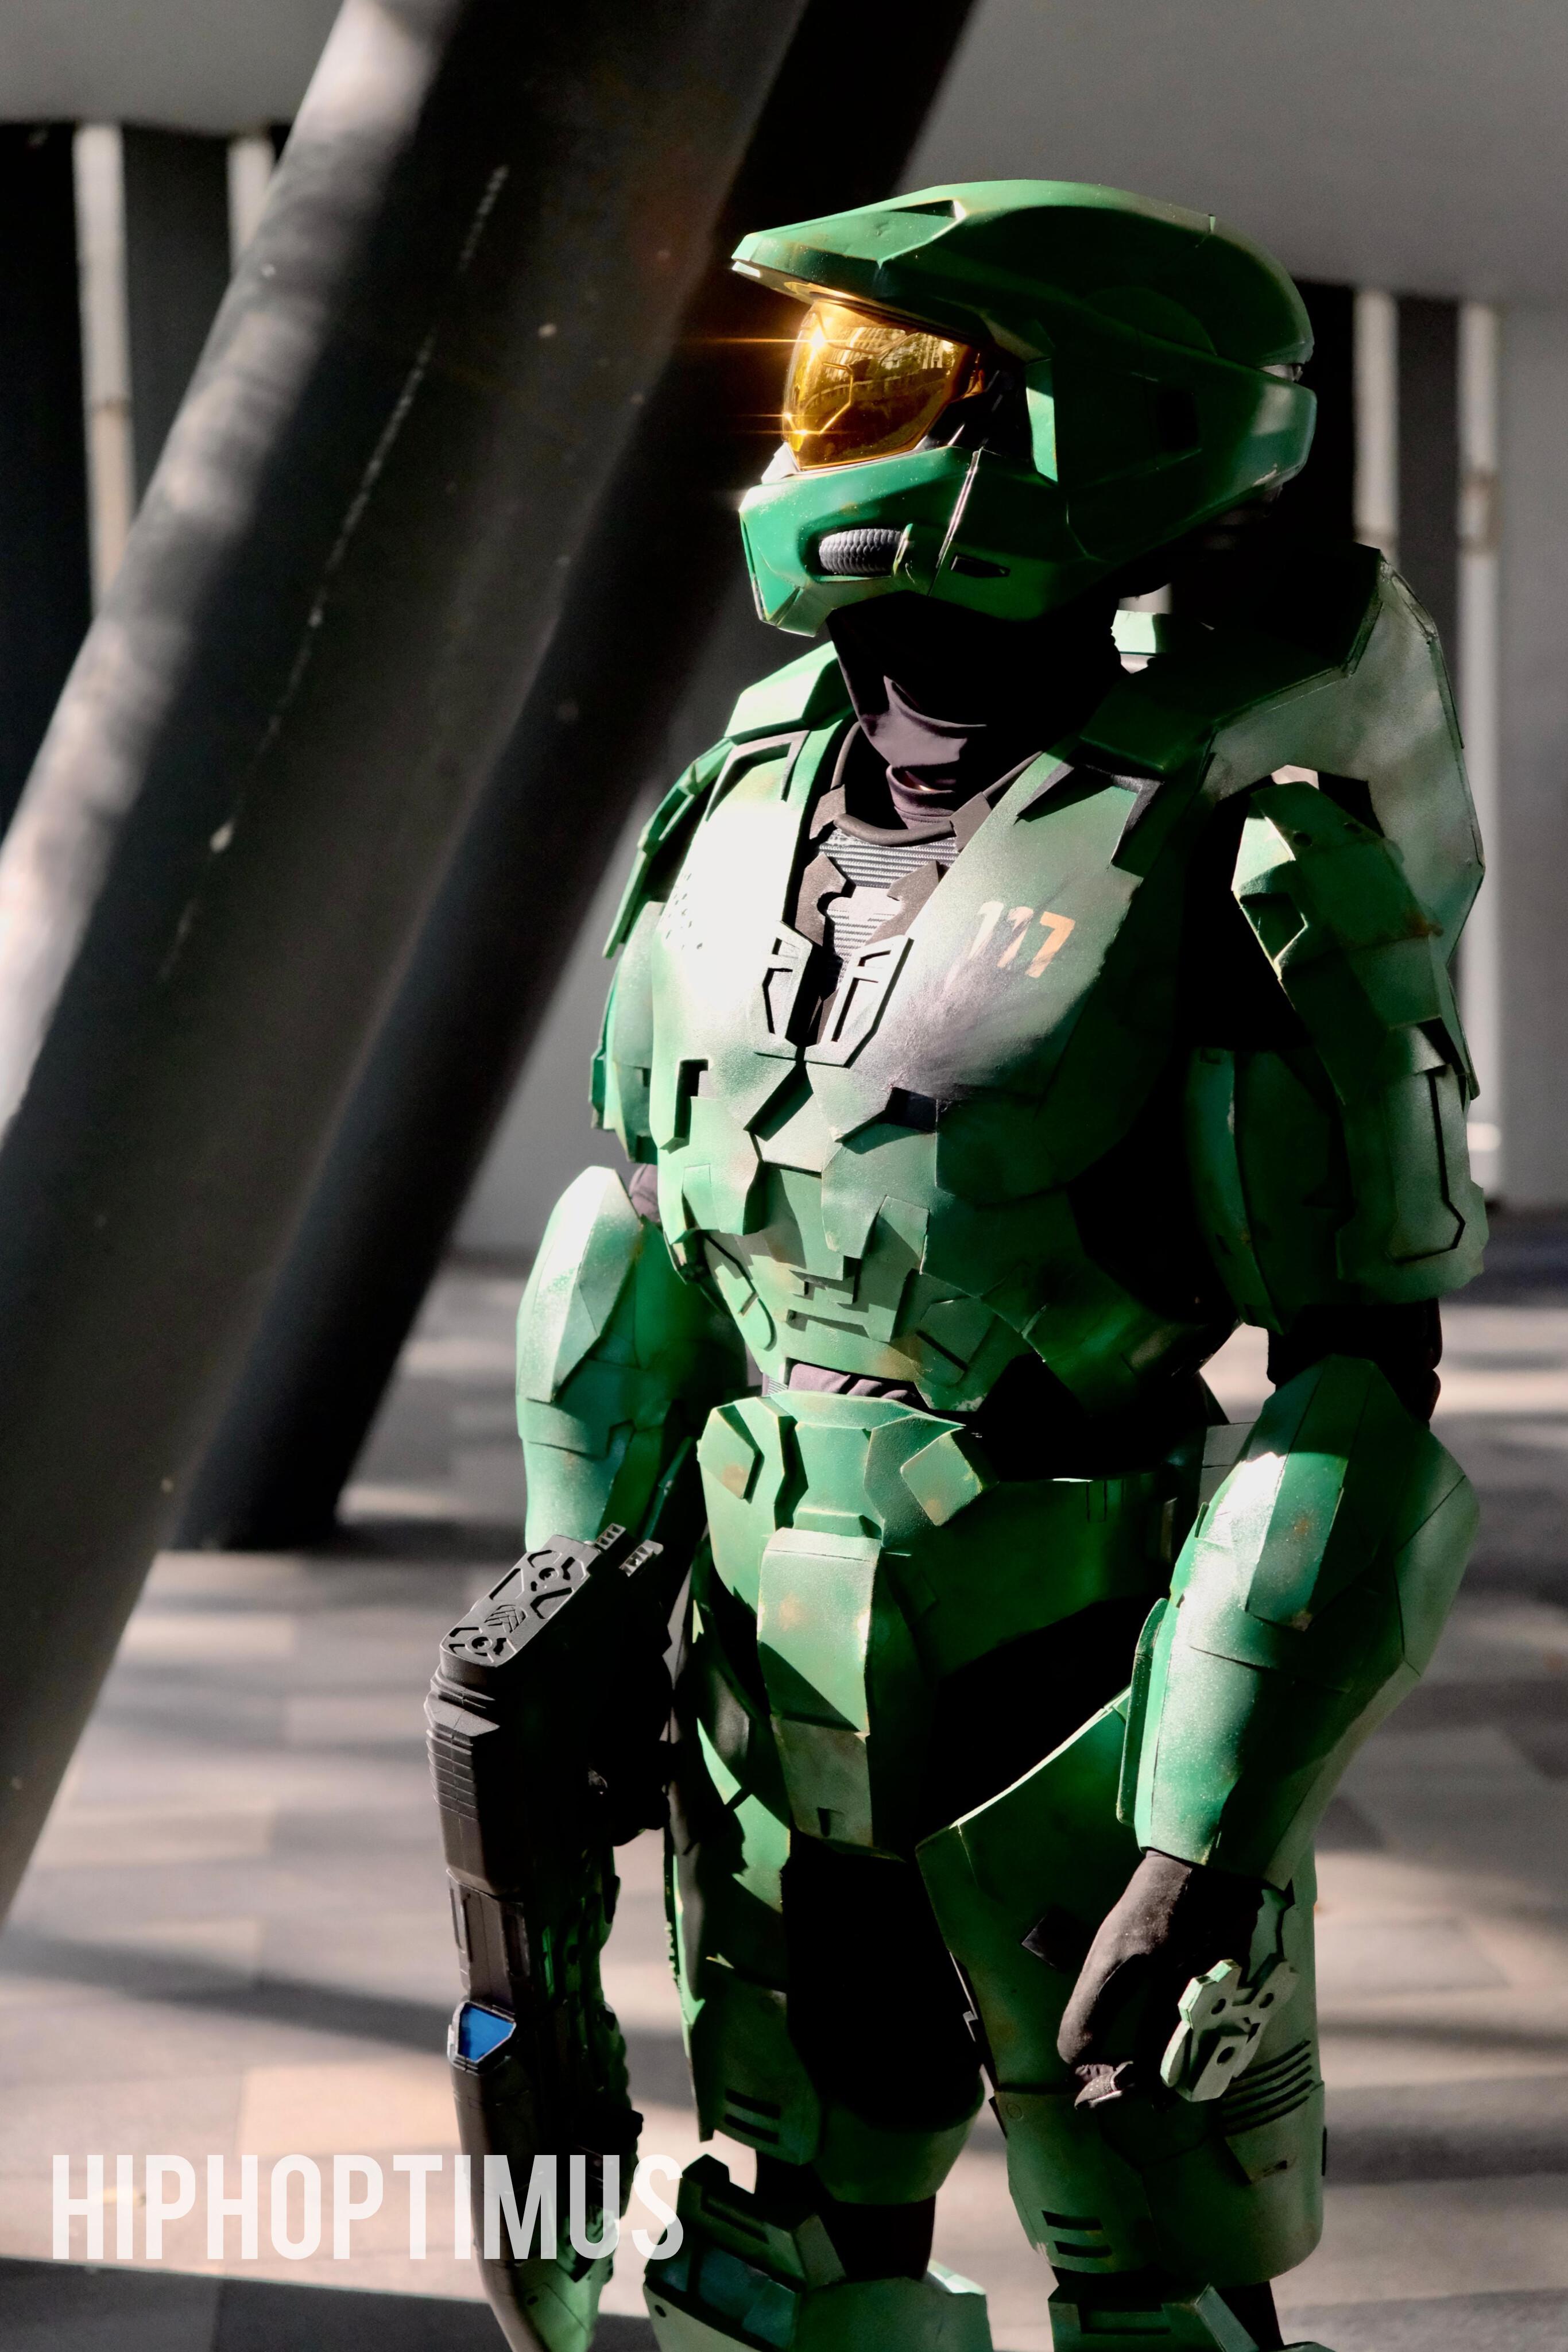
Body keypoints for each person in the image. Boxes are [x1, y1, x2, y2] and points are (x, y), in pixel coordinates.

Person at [427, 180, 1485, 2352]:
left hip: (1072, 1678)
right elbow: (648, 1229)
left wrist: (1201, 1846)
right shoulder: (741, 792)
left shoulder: (1241, 854)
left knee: (1148, 2269)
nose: (814, 432)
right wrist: (572, 1595)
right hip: (751, 1666)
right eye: (822, 382)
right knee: (778, 2242)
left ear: (1097, 426)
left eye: (881, 384)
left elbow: (1358, 1381)